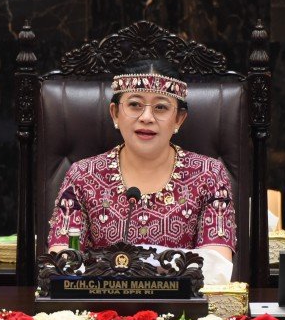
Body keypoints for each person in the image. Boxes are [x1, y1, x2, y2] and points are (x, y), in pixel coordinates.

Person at [47, 59, 236, 263]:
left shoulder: (209, 175)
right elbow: (63, 262)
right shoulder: (83, 176)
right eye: (135, 105)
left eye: (161, 107)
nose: (146, 117)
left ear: (179, 119)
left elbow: (216, 265)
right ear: (115, 113)